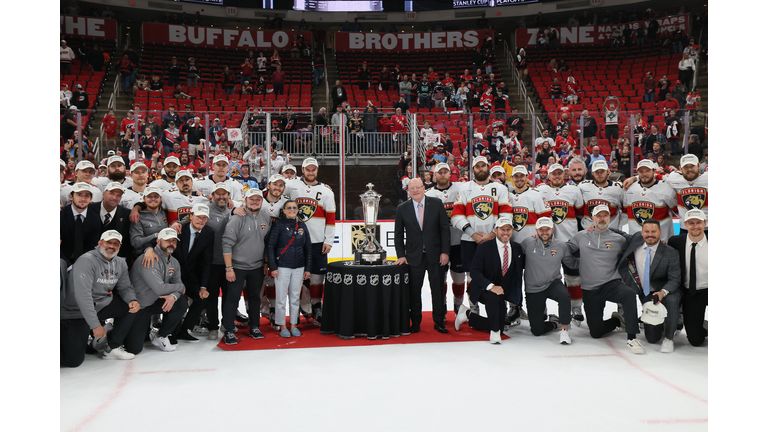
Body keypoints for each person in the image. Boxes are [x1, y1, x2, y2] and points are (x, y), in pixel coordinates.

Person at [566, 206, 645, 354]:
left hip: (611, 284)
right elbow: (564, 250)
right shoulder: (581, 236)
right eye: (599, 216)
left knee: (628, 294)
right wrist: (575, 263)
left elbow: (638, 241)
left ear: (609, 218)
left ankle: (632, 337)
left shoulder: (619, 239)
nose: (602, 219)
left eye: (605, 216)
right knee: (595, 333)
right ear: (592, 218)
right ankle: (617, 320)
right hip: (590, 289)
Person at [60, 230, 140, 366]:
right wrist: (95, 325)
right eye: (108, 242)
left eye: (116, 243)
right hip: (76, 311)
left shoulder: (120, 262)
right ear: (99, 243)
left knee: (129, 307)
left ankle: (112, 347)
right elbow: (83, 296)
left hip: (100, 305)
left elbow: (125, 287)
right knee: (73, 361)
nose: (112, 246)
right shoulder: (86, 260)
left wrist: (132, 300)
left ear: (120, 246)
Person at [612, 219, 681, 353]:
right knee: (652, 338)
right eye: (647, 231)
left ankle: (669, 338)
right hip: (646, 293)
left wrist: (663, 292)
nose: (650, 234)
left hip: (666, 289)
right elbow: (620, 232)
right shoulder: (636, 240)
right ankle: (660, 323)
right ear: (641, 233)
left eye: (654, 231)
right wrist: (596, 227)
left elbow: (675, 278)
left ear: (660, 232)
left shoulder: (671, 252)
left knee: (672, 301)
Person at [394, 178, 451, 334]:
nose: (415, 190)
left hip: (436, 256)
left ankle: (439, 321)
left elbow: (445, 229)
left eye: (418, 187)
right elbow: (398, 235)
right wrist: (401, 255)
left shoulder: (436, 204)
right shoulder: (402, 208)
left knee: (437, 290)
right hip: (413, 258)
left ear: (424, 188)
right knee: (414, 292)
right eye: (412, 188)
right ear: (408, 190)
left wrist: (445, 252)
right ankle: (415, 322)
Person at [453, 218, 523, 344]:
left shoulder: (517, 248)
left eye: (508, 229)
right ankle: (494, 332)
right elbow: (475, 272)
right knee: (493, 300)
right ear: (495, 230)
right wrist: (491, 286)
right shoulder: (484, 247)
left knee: (501, 325)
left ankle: (468, 315)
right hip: (483, 288)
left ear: (512, 231)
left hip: (501, 292)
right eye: (502, 229)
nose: (505, 232)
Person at [284, 158, 336, 325]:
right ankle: (301, 307)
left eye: (313, 169)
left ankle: (316, 306)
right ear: (303, 170)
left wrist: (328, 240)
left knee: (317, 277)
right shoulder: (290, 185)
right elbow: (273, 192)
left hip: (317, 241)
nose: (311, 172)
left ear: (317, 171)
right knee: (297, 277)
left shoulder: (326, 192)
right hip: (295, 241)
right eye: (308, 169)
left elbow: (331, 218)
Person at [220, 188, 273, 345]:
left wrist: (265, 263)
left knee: (255, 298)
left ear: (261, 201)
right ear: (245, 200)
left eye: (258, 199)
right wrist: (229, 268)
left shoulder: (265, 216)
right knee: (232, 298)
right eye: (252, 199)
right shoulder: (237, 218)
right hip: (237, 267)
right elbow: (226, 244)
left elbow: (266, 242)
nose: (255, 202)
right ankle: (229, 329)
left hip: (256, 266)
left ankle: (254, 326)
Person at [125, 228, 188, 353]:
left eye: (174, 240)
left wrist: (174, 296)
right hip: (139, 306)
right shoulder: (148, 259)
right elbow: (161, 289)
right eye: (167, 240)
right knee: (134, 348)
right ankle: (111, 331)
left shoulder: (174, 262)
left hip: (155, 303)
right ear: (158, 242)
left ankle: (161, 336)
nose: (171, 243)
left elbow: (176, 283)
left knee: (181, 302)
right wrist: (180, 287)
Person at [519, 218, 579, 343]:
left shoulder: (561, 245)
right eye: (541, 229)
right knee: (537, 331)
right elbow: (515, 258)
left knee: (564, 296)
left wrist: (592, 259)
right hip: (533, 288)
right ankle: (555, 323)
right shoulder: (527, 243)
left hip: (553, 283)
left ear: (553, 229)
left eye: (548, 229)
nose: (544, 232)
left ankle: (564, 331)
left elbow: (572, 264)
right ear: (536, 230)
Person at [266, 199, 311, 338]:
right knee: (280, 298)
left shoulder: (302, 225)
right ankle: (282, 325)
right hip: (282, 267)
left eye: (294, 207)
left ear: (298, 210)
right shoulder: (278, 225)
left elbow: (308, 248)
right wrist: (273, 267)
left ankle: (293, 324)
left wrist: (307, 268)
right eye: (289, 207)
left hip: (299, 266)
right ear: (284, 210)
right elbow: (271, 247)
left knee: (295, 297)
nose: (292, 209)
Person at [667, 209, 708, 347]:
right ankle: (701, 326)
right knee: (695, 340)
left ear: (705, 223)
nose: (695, 226)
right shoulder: (675, 242)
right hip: (692, 293)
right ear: (684, 224)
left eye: (698, 222)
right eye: (691, 223)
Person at [623, 160, 678, 241]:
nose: (644, 174)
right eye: (641, 171)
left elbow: (678, 211)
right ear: (637, 172)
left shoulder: (666, 188)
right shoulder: (629, 188)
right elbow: (624, 211)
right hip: (635, 242)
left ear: (654, 171)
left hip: (662, 241)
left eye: (647, 171)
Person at [61, 183, 102, 266]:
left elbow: (92, 246)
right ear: (71, 197)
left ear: (91, 199)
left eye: (87, 196)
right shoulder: (60, 215)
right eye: (79, 195)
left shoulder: (95, 218)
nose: (83, 199)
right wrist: (69, 266)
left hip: (85, 263)